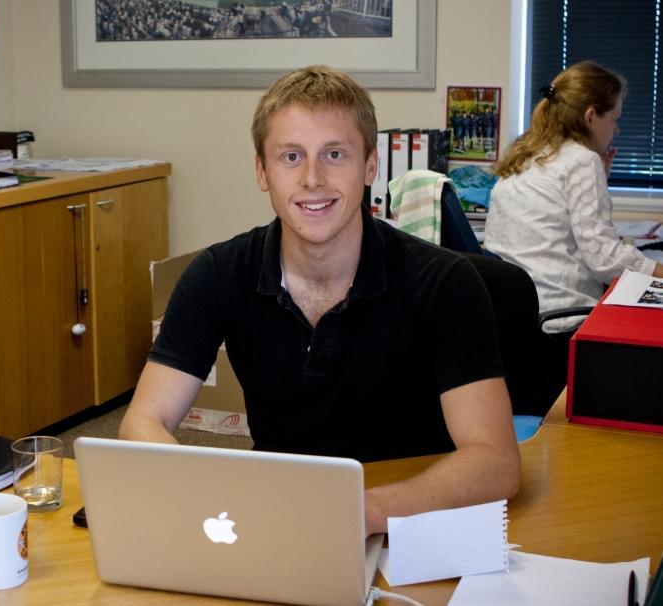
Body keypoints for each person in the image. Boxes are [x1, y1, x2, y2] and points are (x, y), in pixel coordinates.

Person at [119, 65, 520, 536]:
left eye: (334, 154)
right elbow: (142, 423)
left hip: (410, 523)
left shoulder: (445, 282)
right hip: (277, 519)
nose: (312, 178)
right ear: (261, 171)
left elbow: (495, 461)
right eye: (291, 156)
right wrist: (216, 495)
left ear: (369, 165)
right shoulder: (217, 274)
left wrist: (366, 513)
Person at [485, 61, 663, 332]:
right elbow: (604, 258)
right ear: (591, 116)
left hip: (518, 320)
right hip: (563, 322)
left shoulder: (525, 154)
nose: (617, 131)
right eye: (614, 120)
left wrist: (600, 179)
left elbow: (559, 228)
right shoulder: (581, 160)